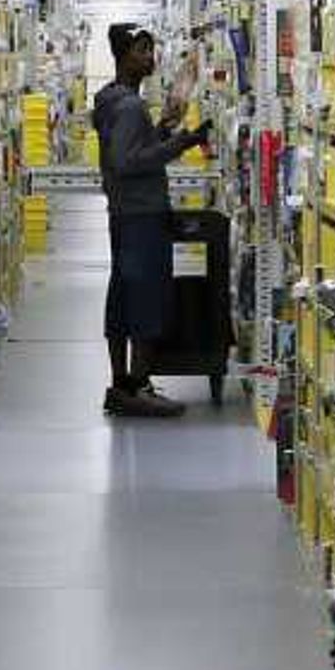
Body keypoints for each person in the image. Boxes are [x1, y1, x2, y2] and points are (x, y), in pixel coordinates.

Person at [91, 21, 207, 418]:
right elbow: (128, 162)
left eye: (151, 49)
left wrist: (161, 130)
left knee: (123, 294)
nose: (150, 57)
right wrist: (182, 142)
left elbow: (130, 150)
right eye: (142, 50)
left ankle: (120, 384)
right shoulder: (129, 105)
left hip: (124, 212)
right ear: (124, 56)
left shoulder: (113, 101)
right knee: (144, 298)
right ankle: (137, 386)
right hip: (141, 213)